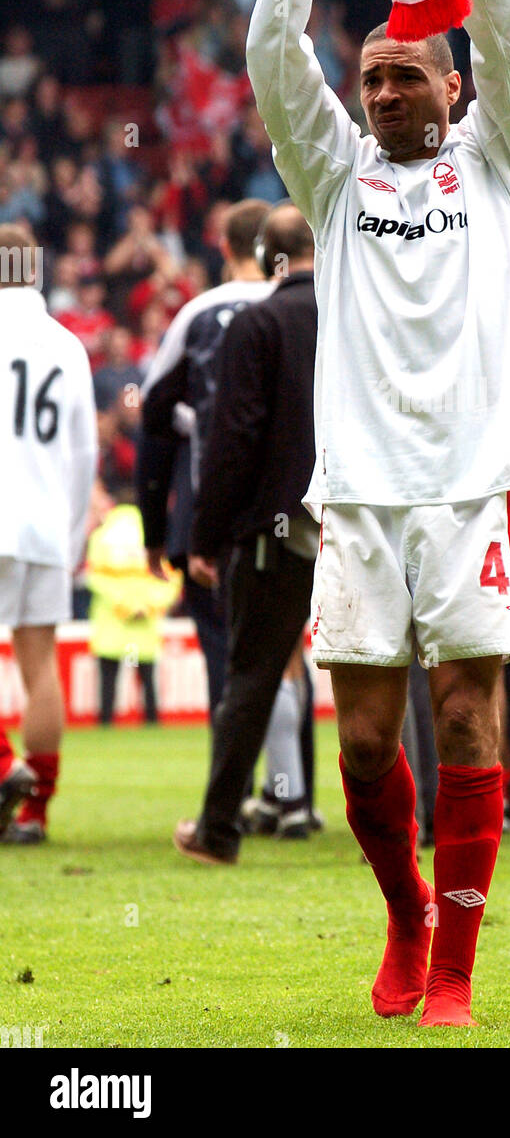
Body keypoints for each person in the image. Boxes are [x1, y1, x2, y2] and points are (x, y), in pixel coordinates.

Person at [244, 0, 510, 1028]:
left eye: (401, 72)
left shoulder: (500, 159)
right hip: (361, 493)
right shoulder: (333, 179)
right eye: (370, 75)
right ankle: (403, 909)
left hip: (470, 476)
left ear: (449, 80)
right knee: (369, 745)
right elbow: (278, 62)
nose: (380, 89)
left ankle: (455, 974)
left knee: (466, 710)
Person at [173, 206, 319, 864]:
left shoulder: (257, 323)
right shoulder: (360, 313)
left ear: (266, 258)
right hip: (371, 515)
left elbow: (231, 440)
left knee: (253, 674)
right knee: (395, 667)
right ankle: (425, 819)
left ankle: (219, 827)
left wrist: (206, 536)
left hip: (277, 528)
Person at [137, 198, 272, 717]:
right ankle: (293, 792)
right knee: (284, 653)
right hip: (296, 511)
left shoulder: (197, 314)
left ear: (224, 246)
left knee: (223, 653)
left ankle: (229, 790)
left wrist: (155, 530)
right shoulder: (309, 306)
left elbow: (153, 415)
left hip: (210, 519)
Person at [0, 224, 98, 843]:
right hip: (43, 524)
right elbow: (84, 452)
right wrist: (72, 537)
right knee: (41, 667)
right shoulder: (66, 345)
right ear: (34, 272)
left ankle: (4, 768)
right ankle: (35, 811)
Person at [85, 491, 182, 724]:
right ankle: (151, 720)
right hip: (144, 624)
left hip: (113, 622)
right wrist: (148, 605)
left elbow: (94, 576)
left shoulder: (103, 535)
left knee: (109, 677)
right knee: (146, 676)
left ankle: (106, 721)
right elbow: (172, 578)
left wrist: (123, 604)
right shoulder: (156, 535)